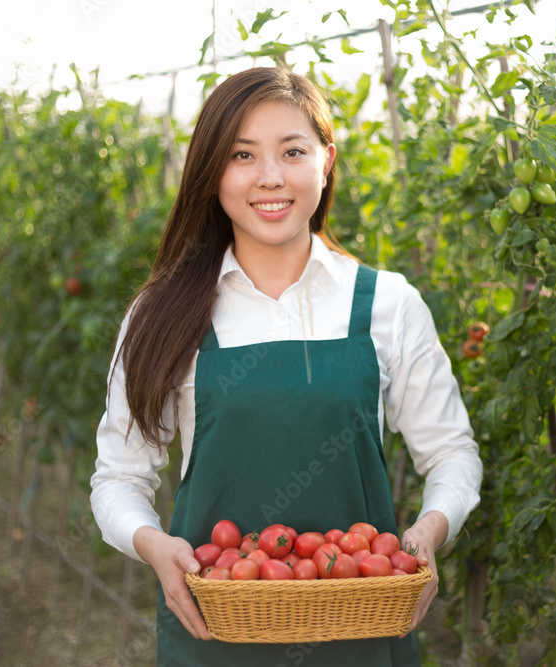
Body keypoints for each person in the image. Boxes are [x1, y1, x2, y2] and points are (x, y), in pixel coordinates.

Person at [90, 66, 482, 666]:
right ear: (212, 173)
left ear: (326, 161)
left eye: (292, 151)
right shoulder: (162, 315)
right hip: (214, 629)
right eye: (242, 154)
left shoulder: (386, 304)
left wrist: (429, 533)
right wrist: (153, 546)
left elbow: (452, 452)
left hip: (362, 627)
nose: (269, 177)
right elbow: (119, 477)